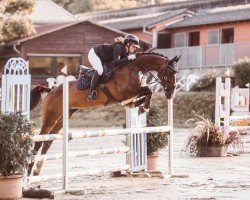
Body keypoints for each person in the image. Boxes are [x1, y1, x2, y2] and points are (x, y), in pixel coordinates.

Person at [87, 34, 140, 101]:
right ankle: (90, 93)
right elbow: (116, 63)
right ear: (128, 44)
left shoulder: (126, 52)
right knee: (100, 70)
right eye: (134, 46)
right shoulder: (118, 47)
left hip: (103, 58)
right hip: (94, 54)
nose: (135, 48)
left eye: (136, 47)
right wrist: (128, 58)